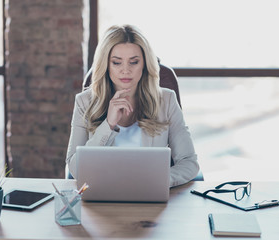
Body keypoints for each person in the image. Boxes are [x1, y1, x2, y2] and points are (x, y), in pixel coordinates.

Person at [65, 24, 199, 187]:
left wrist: (161, 180)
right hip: (102, 198)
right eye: (117, 63)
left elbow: (189, 162)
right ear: (106, 65)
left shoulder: (167, 100)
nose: (125, 70)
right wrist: (108, 125)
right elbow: (74, 168)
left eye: (134, 62)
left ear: (144, 64)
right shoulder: (84, 102)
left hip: (151, 197)